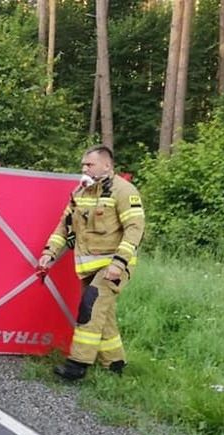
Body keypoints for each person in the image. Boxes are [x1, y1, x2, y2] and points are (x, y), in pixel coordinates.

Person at [38, 145, 145, 380]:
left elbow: (135, 229)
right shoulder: (80, 192)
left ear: (107, 165)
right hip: (88, 265)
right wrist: (50, 253)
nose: (84, 168)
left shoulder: (124, 191)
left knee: (90, 307)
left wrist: (119, 263)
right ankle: (115, 364)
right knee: (102, 315)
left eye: (90, 164)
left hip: (114, 265)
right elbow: (64, 226)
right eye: (83, 165)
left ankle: (78, 364)